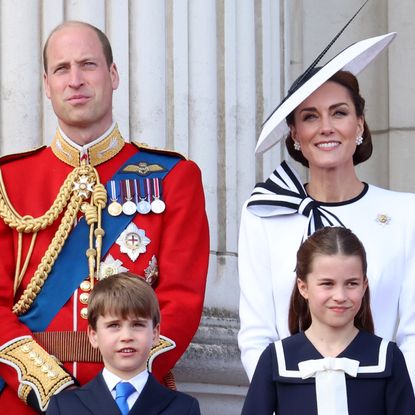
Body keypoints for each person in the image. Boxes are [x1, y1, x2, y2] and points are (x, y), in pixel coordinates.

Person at [0, 21, 209, 413]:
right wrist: (51, 387)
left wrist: (117, 387)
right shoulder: (8, 182)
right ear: (47, 84)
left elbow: (180, 300)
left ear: (113, 75)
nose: (75, 80)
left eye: (88, 65)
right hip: (25, 400)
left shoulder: (174, 178)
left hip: (132, 397)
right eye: (62, 69)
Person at [238, 30, 415, 389]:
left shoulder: (406, 213)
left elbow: (412, 334)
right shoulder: (264, 214)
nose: (326, 128)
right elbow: (257, 337)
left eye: (339, 113)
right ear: (294, 134)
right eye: (310, 117)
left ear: (360, 124)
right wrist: (291, 402)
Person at [241, 227, 415, 414]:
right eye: (327, 283)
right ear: (303, 286)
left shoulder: (388, 358)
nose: (340, 296)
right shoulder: (276, 358)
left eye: (351, 283)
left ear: (364, 286)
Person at [46, 273, 201, 415]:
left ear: (155, 333)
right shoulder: (64, 407)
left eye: (138, 325)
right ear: (94, 336)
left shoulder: (184, 408)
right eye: (114, 326)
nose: (126, 336)